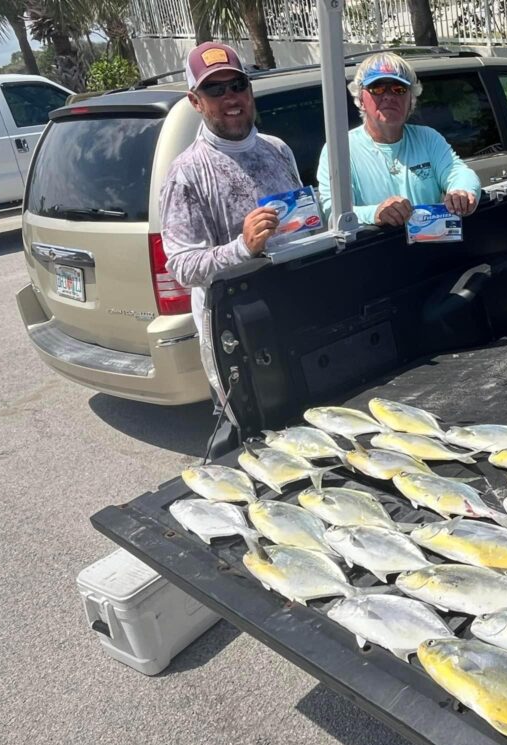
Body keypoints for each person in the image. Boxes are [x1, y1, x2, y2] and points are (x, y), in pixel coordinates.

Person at [159, 41, 303, 456]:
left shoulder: (278, 149)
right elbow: (183, 266)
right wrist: (242, 247)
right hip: (236, 328)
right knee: (257, 441)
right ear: (195, 101)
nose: (230, 98)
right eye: (215, 90)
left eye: (236, 85)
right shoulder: (186, 172)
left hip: (293, 305)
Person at [317, 53, 482, 227]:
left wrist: (461, 191)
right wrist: (376, 213)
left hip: (433, 248)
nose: (388, 96)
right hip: (375, 251)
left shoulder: (427, 138)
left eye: (399, 89)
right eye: (377, 88)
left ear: (411, 100)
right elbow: (333, 211)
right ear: (360, 99)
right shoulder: (340, 150)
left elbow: (459, 172)